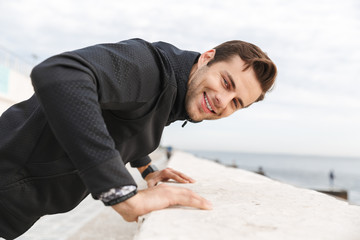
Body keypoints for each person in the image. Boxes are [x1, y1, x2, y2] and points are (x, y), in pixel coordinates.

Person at [0, 38, 277, 239]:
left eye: (236, 103)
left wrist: (145, 167)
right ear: (207, 57)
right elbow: (59, 73)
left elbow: (127, 117)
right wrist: (122, 194)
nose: (222, 101)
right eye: (226, 83)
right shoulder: (150, 66)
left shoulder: (175, 94)